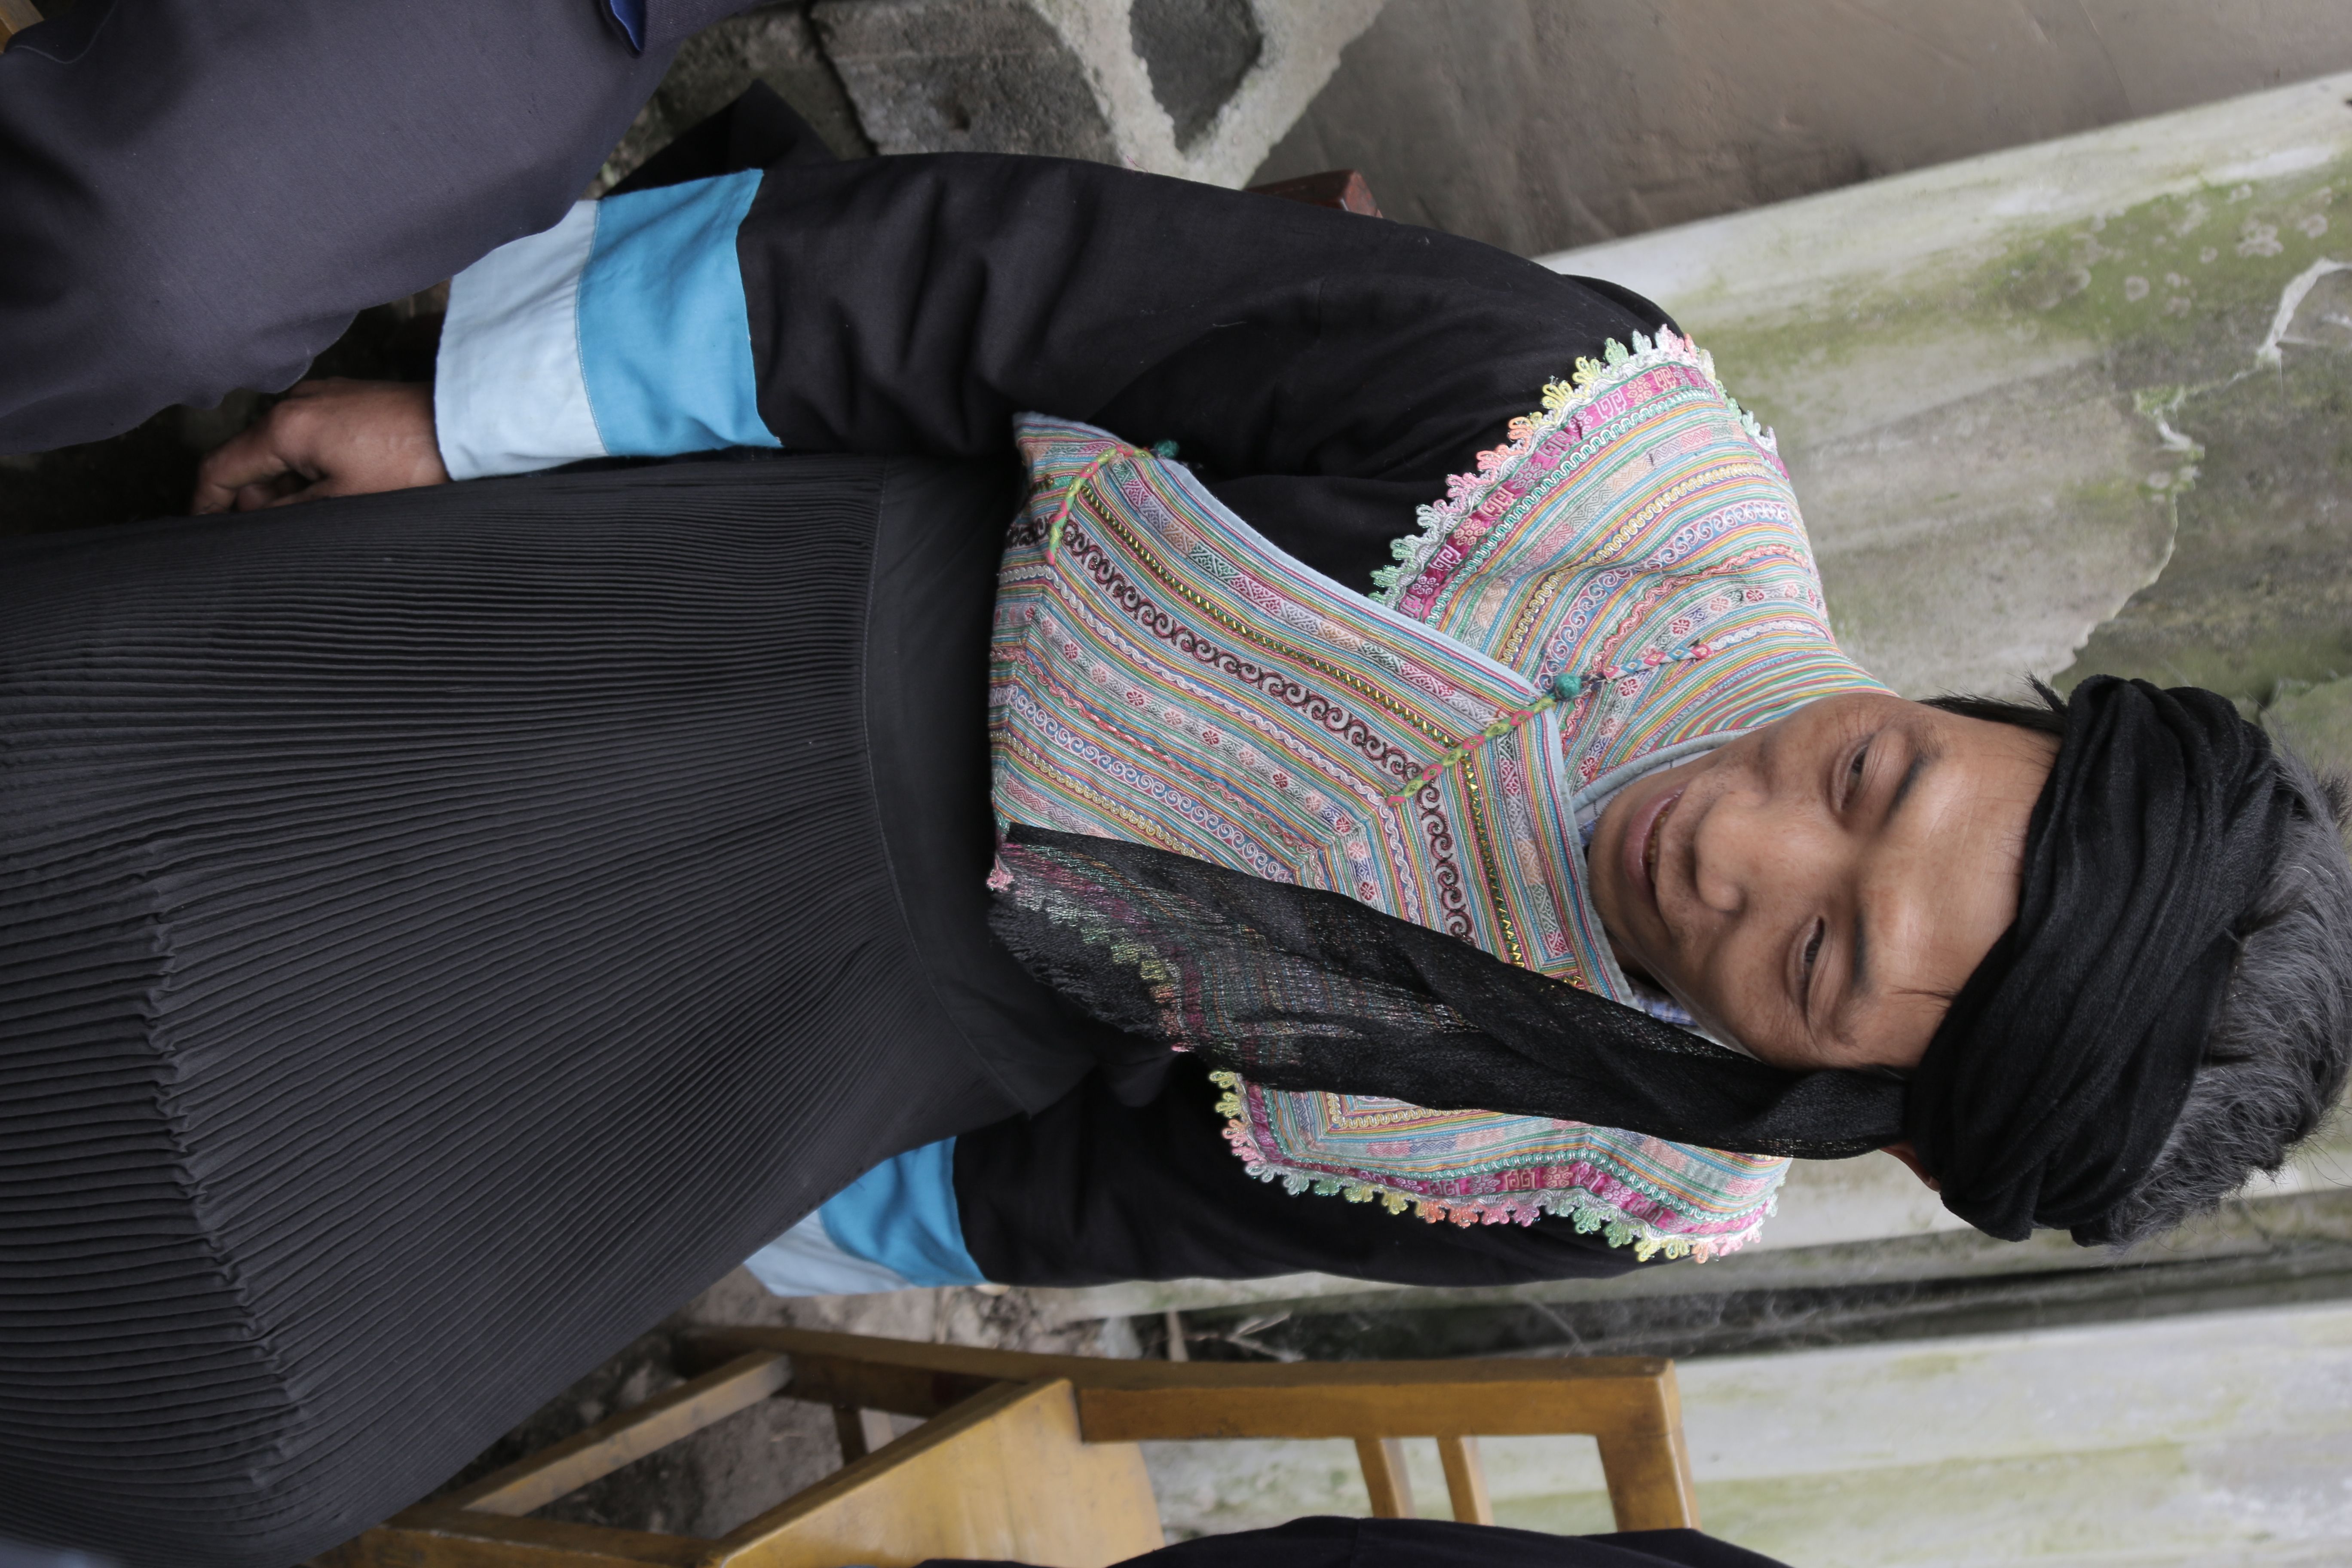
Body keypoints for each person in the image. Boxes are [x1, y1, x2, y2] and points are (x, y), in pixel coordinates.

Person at [6, 95, 2348, 1568]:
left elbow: (1076, 1196)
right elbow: (985, 283)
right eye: (1871, 780)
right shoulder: (1593, 445)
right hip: (752, 640)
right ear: (1973, 716)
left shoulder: (1616, 1172)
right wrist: (472, 420)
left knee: (237, 1443)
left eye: (1818, 965)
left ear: (1872, 1116)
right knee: (90, 857)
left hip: (840, 1051)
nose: (1744, 852)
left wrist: (647, 1180)